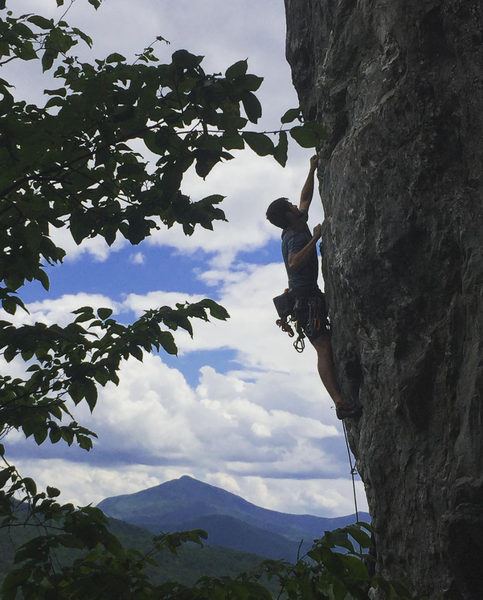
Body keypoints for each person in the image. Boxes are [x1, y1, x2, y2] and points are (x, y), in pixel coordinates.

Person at [266, 155, 361, 420]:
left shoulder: (297, 222)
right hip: (304, 300)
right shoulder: (295, 237)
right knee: (323, 347)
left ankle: (341, 399)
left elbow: (305, 198)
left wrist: (311, 169)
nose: (297, 206)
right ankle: (340, 403)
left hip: (308, 297)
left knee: (326, 344)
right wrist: (316, 238)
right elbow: (294, 263)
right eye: (291, 206)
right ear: (288, 214)